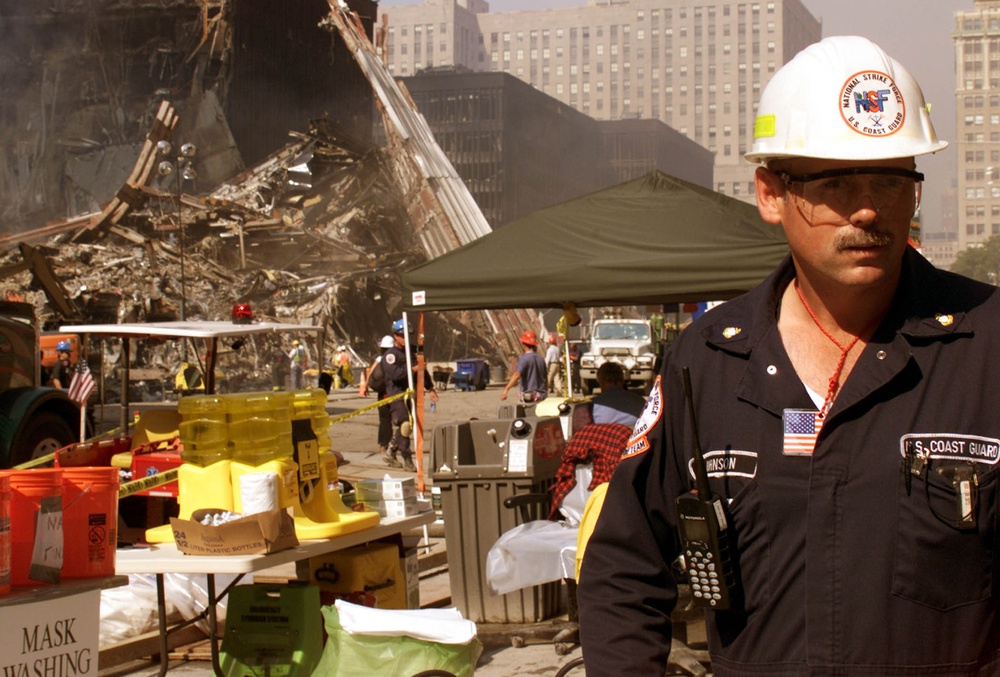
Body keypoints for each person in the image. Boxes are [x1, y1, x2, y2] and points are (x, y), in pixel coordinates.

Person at [579, 36, 1000, 676]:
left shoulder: (986, 345)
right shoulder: (707, 362)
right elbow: (623, 565)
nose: (868, 209)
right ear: (771, 194)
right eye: (836, 183)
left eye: (891, 181)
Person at [381, 319, 439, 472]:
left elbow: (422, 370)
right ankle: (407, 458)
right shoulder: (390, 356)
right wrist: (413, 369)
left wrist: (431, 388)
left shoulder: (412, 352)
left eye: (408, 336)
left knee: (407, 426)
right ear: (395, 336)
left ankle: (391, 451)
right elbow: (396, 375)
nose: (406, 339)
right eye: (402, 336)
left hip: (412, 394)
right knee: (405, 424)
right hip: (397, 395)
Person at [359, 335, 396, 462]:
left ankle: (383, 444)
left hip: (382, 394)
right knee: (399, 420)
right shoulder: (393, 358)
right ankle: (393, 445)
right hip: (393, 393)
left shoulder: (379, 359)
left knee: (384, 420)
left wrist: (366, 386)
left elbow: (370, 373)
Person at [589, 362, 645, 429]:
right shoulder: (640, 402)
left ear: (601, 382)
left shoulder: (593, 405)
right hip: (633, 438)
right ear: (622, 381)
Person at [500, 330, 547, 403]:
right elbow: (546, 379)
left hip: (529, 398)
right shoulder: (541, 359)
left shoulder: (524, 359)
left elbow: (517, 375)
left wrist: (506, 389)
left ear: (524, 345)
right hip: (541, 396)